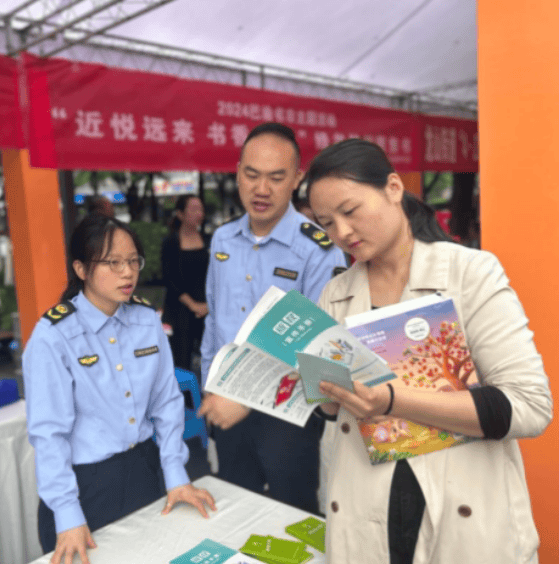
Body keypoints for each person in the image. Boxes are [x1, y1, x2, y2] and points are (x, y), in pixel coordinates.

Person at [306, 138, 552, 564]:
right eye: (327, 223)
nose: (341, 233)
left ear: (393, 188)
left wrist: (391, 399)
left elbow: (529, 406)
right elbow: (331, 413)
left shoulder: (470, 273)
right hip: (366, 513)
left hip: (464, 515)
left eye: (350, 211)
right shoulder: (336, 294)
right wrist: (324, 392)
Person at [23, 215, 216, 564]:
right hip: (85, 487)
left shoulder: (145, 320)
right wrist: (67, 515)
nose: (127, 273)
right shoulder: (54, 336)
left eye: (132, 261)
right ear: (81, 269)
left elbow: (167, 402)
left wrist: (175, 474)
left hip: (143, 469)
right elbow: (49, 435)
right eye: (113, 263)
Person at [198, 122, 347, 514]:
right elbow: (215, 323)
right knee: (236, 511)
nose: (261, 189)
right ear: (237, 172)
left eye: (276, 178)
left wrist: (245, 398)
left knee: (291, 515)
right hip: (226, 404)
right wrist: (211, 387)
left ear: (297, 179)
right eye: (251, 174)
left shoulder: (318, 250)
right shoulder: (223, 240)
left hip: (289, 414)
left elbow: (317, 346)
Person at [161, 195, 210, 374]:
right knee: (180, 359)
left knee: (210, 356)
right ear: (180, 214)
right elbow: (170, 278)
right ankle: (184, 399)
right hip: (179, 308)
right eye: (194, 209)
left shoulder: (209, 240)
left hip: (207, 308)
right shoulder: (171, 243)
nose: (199, 213)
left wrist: (207, 305)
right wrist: (193, 305)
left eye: (201, 209)